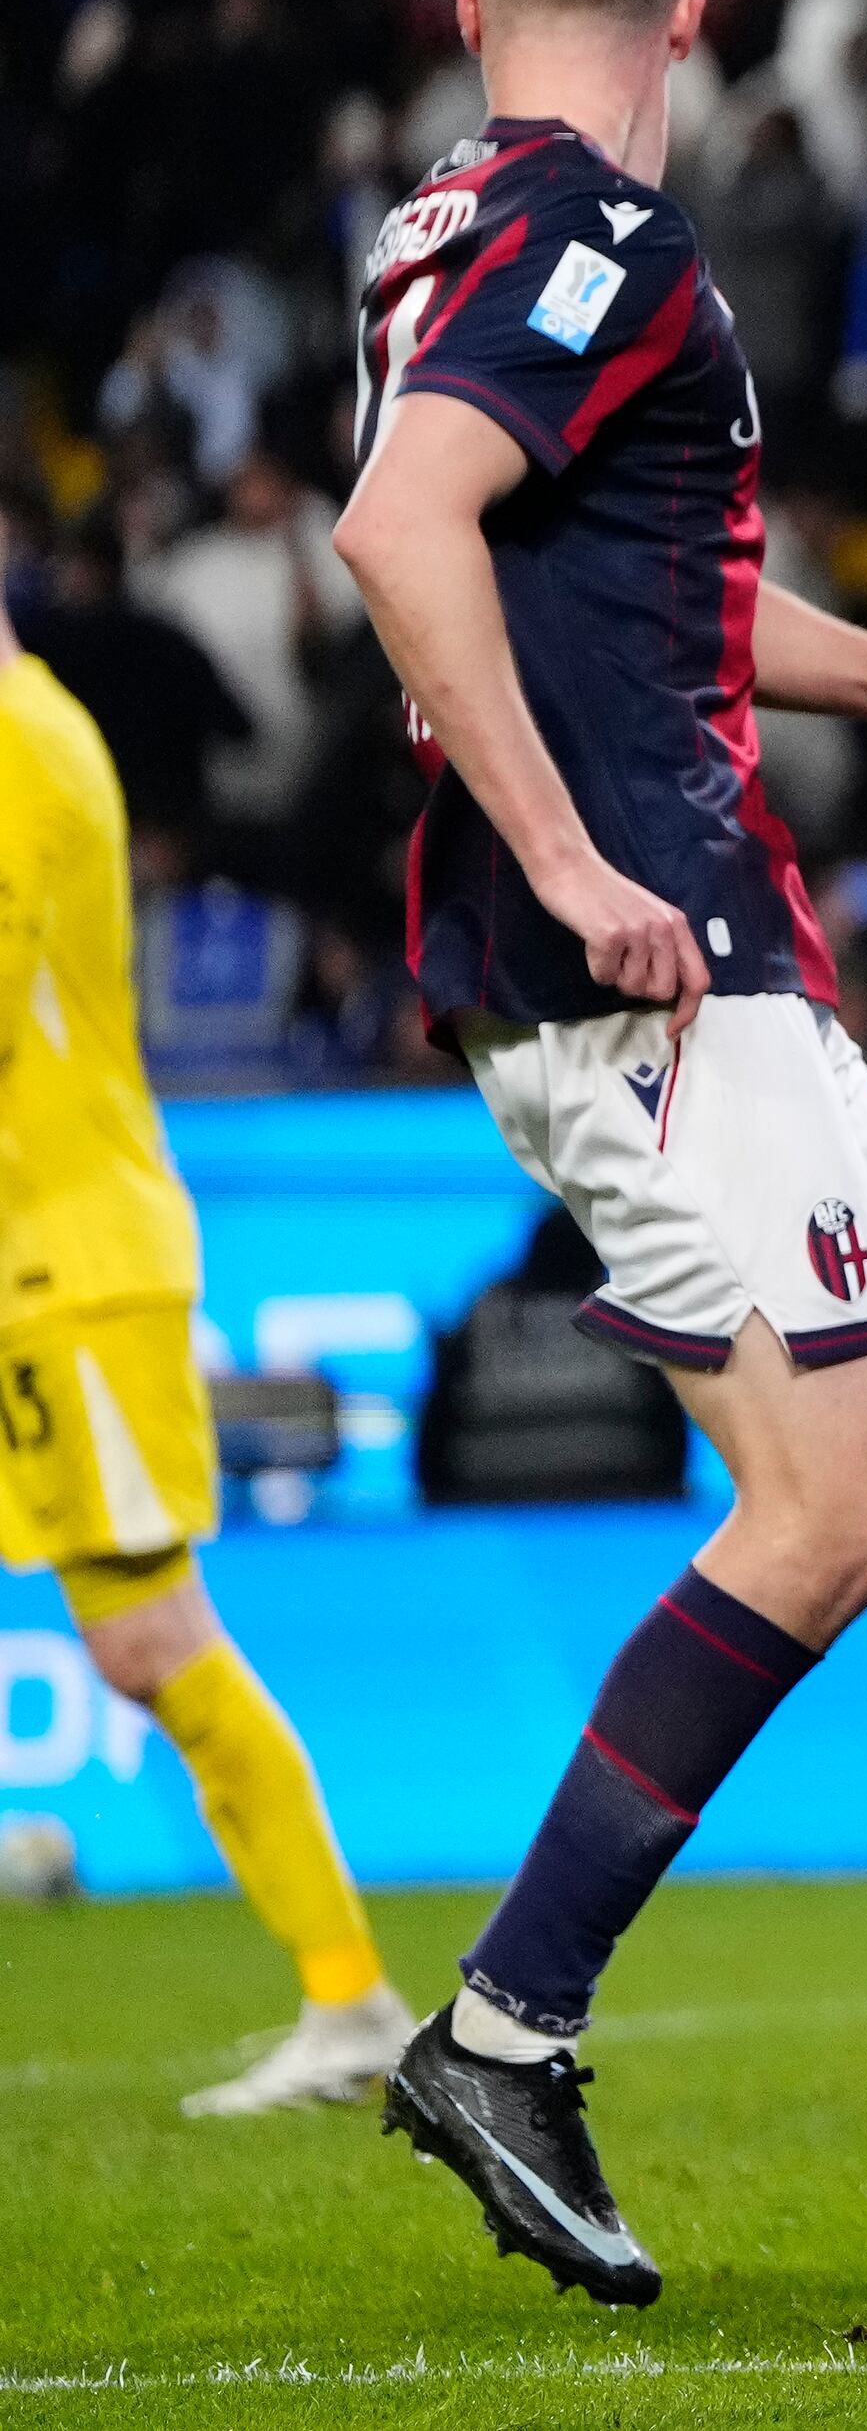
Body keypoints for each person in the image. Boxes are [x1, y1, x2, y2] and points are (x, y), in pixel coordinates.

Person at [333, 0, 867, 2306]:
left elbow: (639, 580)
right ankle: (505, 2024)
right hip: (640, 959)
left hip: (708, 948)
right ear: (697, 5)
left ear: (473, 1)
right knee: (835, 1498)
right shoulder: (598, 234)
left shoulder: (445, 229)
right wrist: (571, 861)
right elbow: (405, 528)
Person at [0, 512, 406, 2118]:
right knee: (137, 1636)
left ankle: (351, 1995)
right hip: (37, 1253)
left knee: (150, 1635)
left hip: (72, 1259)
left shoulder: (23, 744)